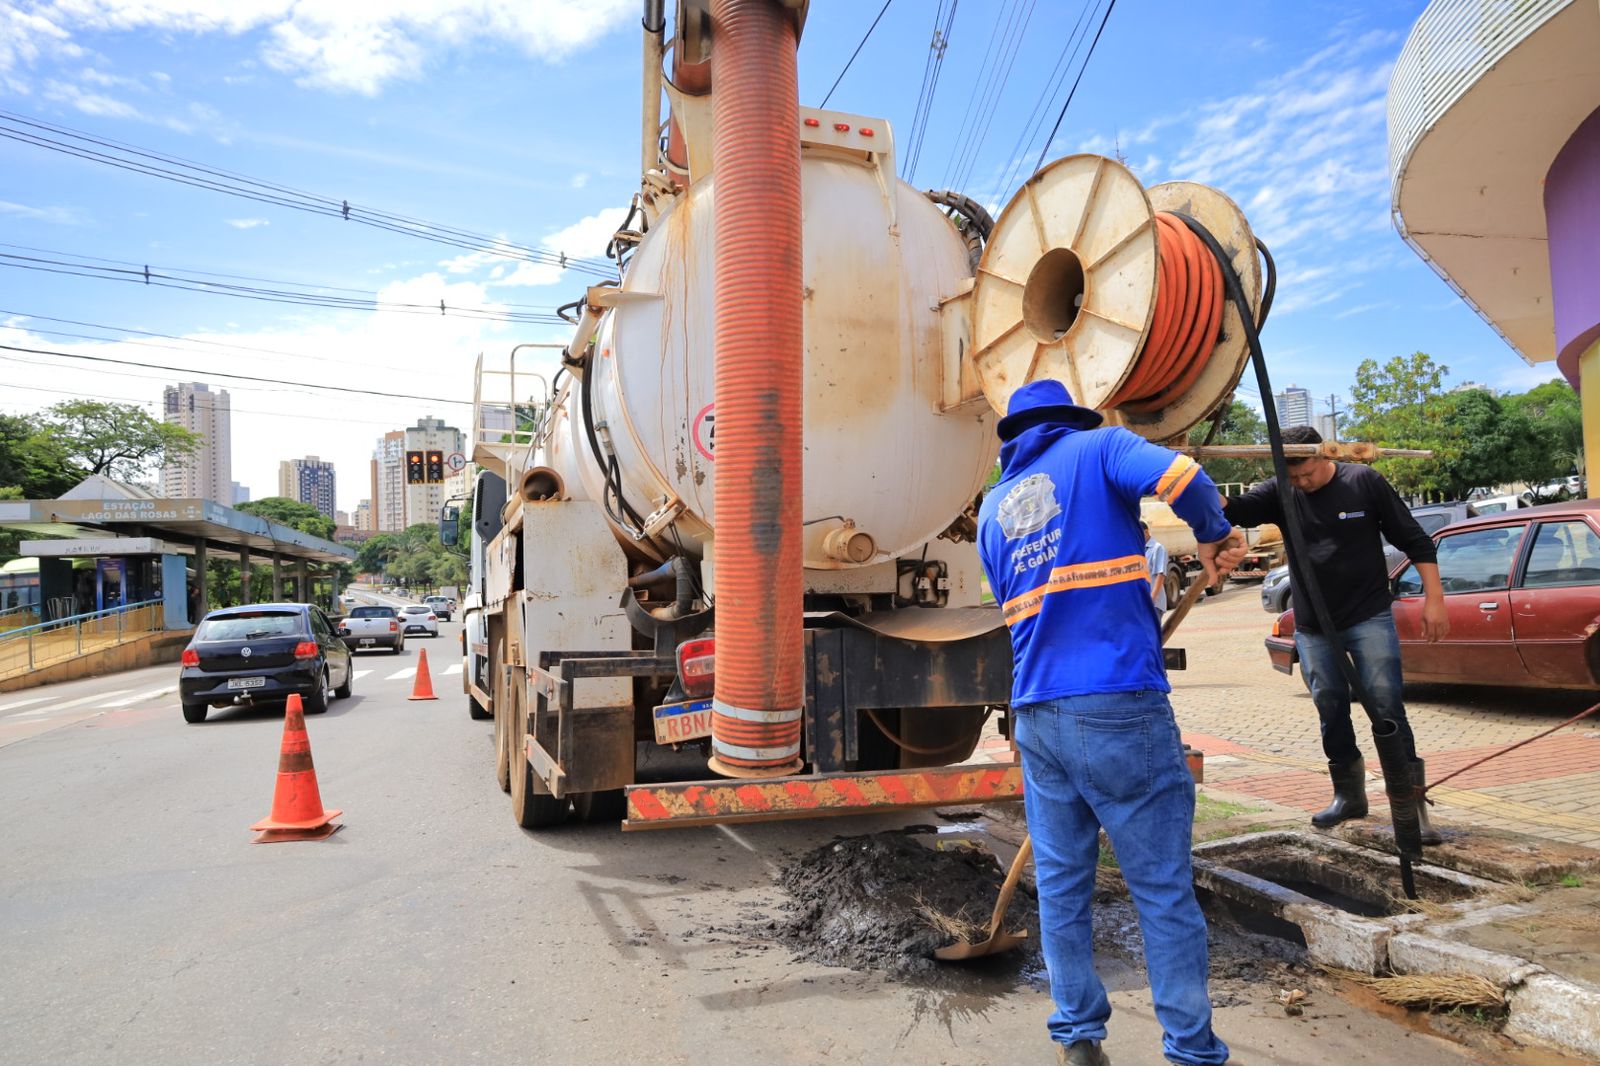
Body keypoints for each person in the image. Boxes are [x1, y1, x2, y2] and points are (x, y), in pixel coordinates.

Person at [978, 379, 1246, 1066]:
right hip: (1117, 703)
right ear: (1070, 418)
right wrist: (1215, 535)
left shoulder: (993, 509)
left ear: (1016, 437)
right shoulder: (1100, 449)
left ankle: (1078, 1038)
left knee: (1064, 887)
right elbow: (1183, 476)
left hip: (1036, 711)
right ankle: (1190, 1049)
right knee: (1159, 887)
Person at [1221, 425, 1447, 841]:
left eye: (1306, 473)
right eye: (1293, 477)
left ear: (1326, 455)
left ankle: (1409, 807)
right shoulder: (1280, 489)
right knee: (1329, 706)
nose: (1302, 483)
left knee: (1385, 706)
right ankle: (1349, 796)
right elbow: (1232, 509)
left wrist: (1435, 600)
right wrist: (1187, 478)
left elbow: (1416, 540)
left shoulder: (1364, 481)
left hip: (1368, 615)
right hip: (1312, 624)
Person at [1141, 520, 1169, 613]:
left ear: (1146, 532)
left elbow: (1160, 575)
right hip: (1143, 604)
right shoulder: (1139, 550)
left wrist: (1151, 599)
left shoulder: (1157, 548)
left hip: (1154, 604)